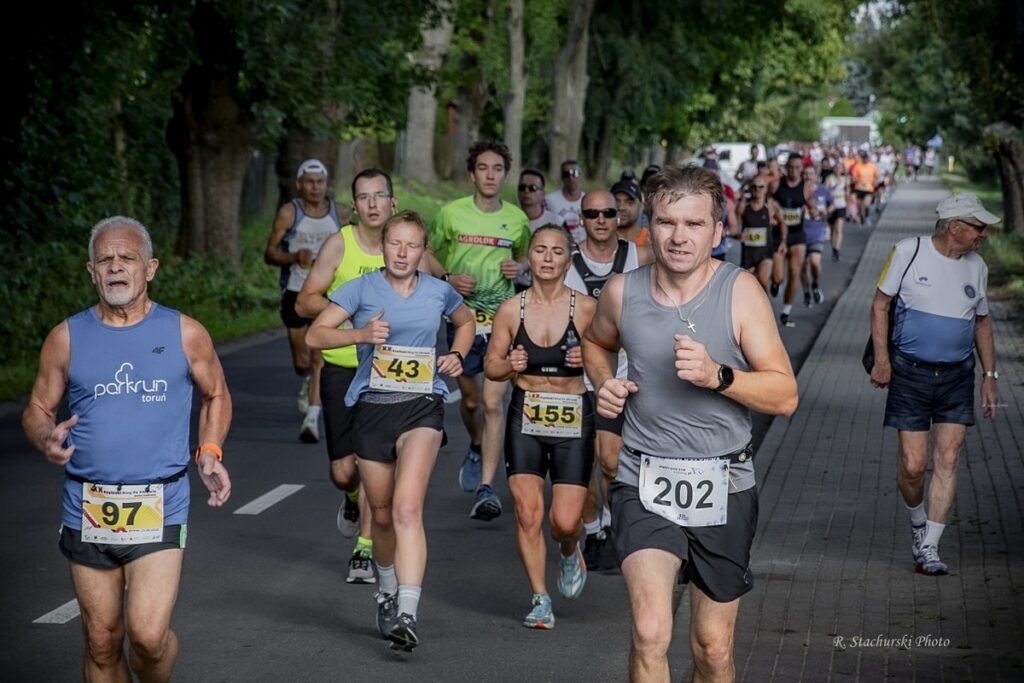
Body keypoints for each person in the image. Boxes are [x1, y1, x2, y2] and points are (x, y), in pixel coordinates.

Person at [582, 167, 798, 682]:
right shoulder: (621, 292)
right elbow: (595, 341)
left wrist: (718, 376)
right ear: (648, 228)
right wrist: (605, 381)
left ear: (717, 231)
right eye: (667, 222)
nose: (679, 237)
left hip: (724, 481)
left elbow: (785, 395)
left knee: (713, 649)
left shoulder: (740, 292)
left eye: (694, 224)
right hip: (643, 478)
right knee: (650, 631)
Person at [23, 216, 232, 682]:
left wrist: (209, 450)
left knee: (149, 637)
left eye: (127, 258)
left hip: (160, 500)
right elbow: (37, 408)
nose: (116, 267)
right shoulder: (66, 337)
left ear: (150, 268)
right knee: (101, 641)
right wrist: (45, 435)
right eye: (105, 260)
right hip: (87, 503)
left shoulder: (184, 332)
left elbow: (216, 393)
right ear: (91, 272)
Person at [306, 210, 475, 651]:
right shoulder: (361, 288)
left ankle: (408, 611)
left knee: (406, 509)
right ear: (382, 247)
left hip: (422, 406)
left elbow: (466, 321)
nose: (402, 252)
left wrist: (457, 354)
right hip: (373, 407)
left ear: (423, 251)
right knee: (380, 515)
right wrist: (361, 334)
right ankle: (385, 591)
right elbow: (315, 336)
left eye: (412, 245)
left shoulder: (439, 291)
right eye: (395, 243)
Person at [869, 193, 1000, 576]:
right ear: (954, 226)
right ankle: (917, 522)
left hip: (957, 376)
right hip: (910, 374)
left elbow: (982, 323)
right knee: (914, 466)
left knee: (948, 459)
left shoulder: (977, 267)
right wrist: (882, 361)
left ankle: (929, 547)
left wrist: (989, 377)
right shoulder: (908, 251)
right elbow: (879, 305)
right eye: (978, 227)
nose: (983, 234)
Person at [484, 225, 598, 628]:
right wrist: (508, 365)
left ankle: (569, 550)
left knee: (564, 521)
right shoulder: (510, 310)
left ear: (569, 260)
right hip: (526, 414)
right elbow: (491, 366)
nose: (548, 258)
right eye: (540, 250)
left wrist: (589, 360)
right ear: (528, 257)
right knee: (527, 513)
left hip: (573, 413)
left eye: (557, 252)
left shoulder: (587, 309)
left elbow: (613, 357)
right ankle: (540, 598)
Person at [424, 139, 531, 520]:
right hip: (463, 321)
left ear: (505, 174)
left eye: (497, 169)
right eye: (483, 168)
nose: (490, 175)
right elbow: (427, 252)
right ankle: (475, 443)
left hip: (502, 321)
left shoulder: (517, 219)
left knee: (492, 403)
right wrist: (448, 278)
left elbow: (525, 255)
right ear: (472, 174)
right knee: (471, 402)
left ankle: (486, 488)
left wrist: (520, 267)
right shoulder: (451, 213)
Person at [296, 168, 393, 584]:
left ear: (393, 202)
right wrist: (350, 308)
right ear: (353, 206)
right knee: (343, 472)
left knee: (373, 462)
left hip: (386, 371)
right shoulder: (340, 244)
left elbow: (436, 286)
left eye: (379, 195)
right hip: (341, 365)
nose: (372, 204)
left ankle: (364, 549)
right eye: (364, 197)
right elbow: (304, 302)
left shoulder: (404, 244)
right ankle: (351, 497)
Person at [565, 190, 651, 570]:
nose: (600, 219)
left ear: (620, 215)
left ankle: (615, 526)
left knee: (610, 460)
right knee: (579, 466)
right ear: (581, 218)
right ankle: (593, 529)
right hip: (572, 378)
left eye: (607, 212)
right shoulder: (566, 262)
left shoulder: (640, 256)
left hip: (622, 375)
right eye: (592, 213)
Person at [264, 159, 342, 443]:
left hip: (327, 294)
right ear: (299, 184)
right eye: (310, 182)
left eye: (320, 182)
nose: (315, 187)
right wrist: (294, 257)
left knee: (319, 356)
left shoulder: (340, 213)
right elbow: (269, 254)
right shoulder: (289, 213)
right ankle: (308, 379)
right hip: (295, 291)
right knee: (302, 361)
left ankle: (312, 417)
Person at [772, 154, 815, 327]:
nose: (794, 171)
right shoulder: (776, 184)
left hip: (797, 235)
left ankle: (786, 311)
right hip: (777, 235)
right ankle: (776, 283)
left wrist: (814, 211)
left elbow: (811, 204)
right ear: (786, 167)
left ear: (801, 169)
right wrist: (772, 216)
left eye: (797, 167)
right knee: (778, 276)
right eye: (790, 167)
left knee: (794, 273)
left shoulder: (806, 187)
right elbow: (768, 201)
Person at [736, 176, 787, 295]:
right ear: (750, 189)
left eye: (761, 187)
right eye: (754, 187)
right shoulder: (743, 207)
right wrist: (738, 234)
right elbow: (736, 227)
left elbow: (782, 223)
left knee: (762, 282)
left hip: (765, 252)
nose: (757, 189)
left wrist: (783, 241)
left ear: (766, 189)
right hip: (748, 254)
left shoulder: (771, 206)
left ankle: (766, 306)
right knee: (747, 288)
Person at [515, 168, 560, 290]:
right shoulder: (508, 220)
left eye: (532, 188)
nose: (526, 191)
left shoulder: (557, 222)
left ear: (543, 193)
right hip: (513, 287)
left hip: (545, 287)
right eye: (522, 187)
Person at [800, 164, 834, 307]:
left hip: (817, 232)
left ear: (815, 175)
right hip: (800, 234)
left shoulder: (822, 190)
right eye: (805, 173)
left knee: (814, 262)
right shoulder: (798, 191)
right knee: (802, 266)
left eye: (811, 173)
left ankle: (815, 284)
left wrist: (827, 211)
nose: (808, 176)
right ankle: (806, 293)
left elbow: (832, 204)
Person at [546, 160, 586, 243]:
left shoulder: (588, 200)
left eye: (575, 173)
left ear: (581, 176)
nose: (571, 178)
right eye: (566, 174)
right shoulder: (549, 200)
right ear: (561, 177)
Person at [612, 178, 650, 250]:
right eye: (616, 201)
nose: (621, 207)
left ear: (641, 207)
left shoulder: (651, 240)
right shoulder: (601, 238)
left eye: (629, 203)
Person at [823, 156, 848, 261]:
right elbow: (825, 192)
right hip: (831, 207)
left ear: (842, 169)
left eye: (840, 168)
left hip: (841, 206)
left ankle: (837, 249)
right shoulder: (829, 179)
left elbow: (847, 193)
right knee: (833, 229)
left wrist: (848, 207)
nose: (838, 169)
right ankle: (834, 249)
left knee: (839, 229)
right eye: (836, 167)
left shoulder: (845, 179)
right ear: (833, 169)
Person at [850, 150, 879, 224]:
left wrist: (875, 183)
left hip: (869, 189)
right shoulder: (857, 166)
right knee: (859, 206)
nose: (865, 159)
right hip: (859, 188)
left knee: (866, 204)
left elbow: (876, 176)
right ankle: (861, 216)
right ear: (862, 158)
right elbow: (853, 177)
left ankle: (867, 216)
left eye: (867, 158)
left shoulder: (872, 166)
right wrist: (856, 180)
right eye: (864, 158)